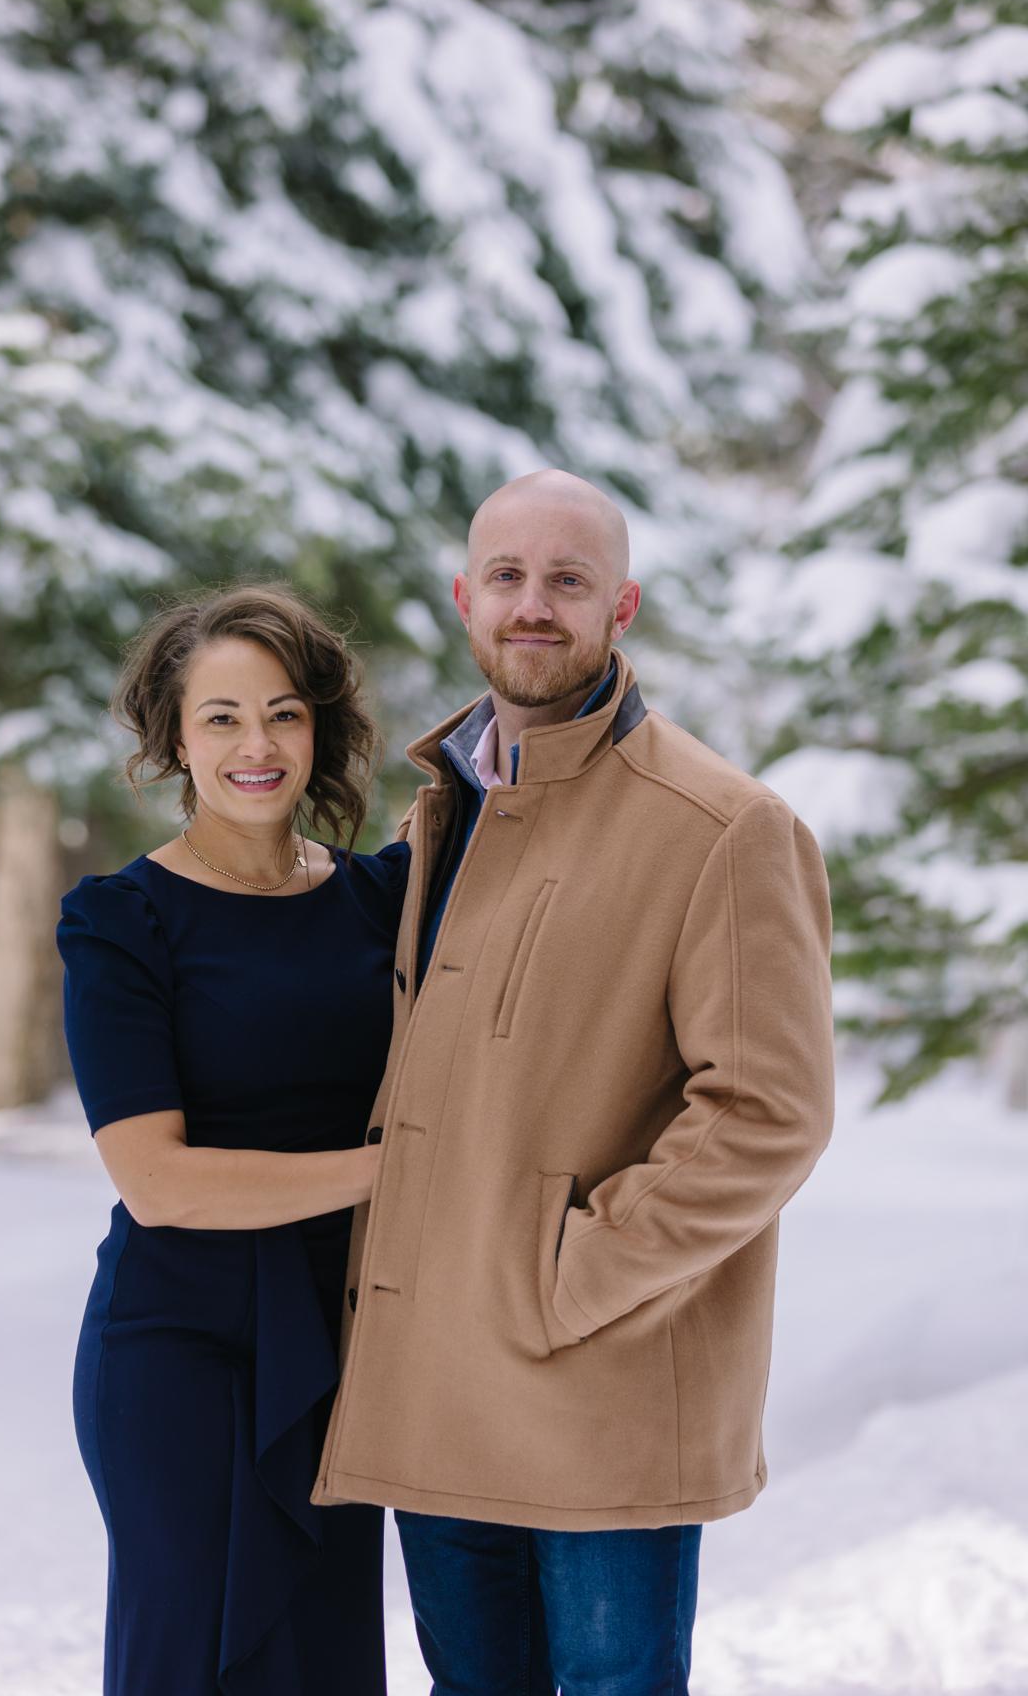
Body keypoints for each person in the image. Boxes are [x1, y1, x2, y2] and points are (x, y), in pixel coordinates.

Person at [312, 469, 836, 1696]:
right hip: (438, 1383)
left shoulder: (722, 824)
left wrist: (573, 1273)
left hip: (600, 1382)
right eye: (507, 576)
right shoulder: (440, 814)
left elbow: (770, 1112)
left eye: (568, 579)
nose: (533, 605)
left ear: (623, 606)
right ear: (465, 600)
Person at [56, 584, 407, 1696]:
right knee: (191, 1659)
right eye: (221, 718)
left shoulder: (382, 899)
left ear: (319, 729)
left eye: (284, 713)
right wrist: (395, 1175)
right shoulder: (122, 921)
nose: (257, 746)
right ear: (174, 739)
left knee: (328, 1659)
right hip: (180, 1349)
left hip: (340, 1348)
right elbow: (158, 1183)